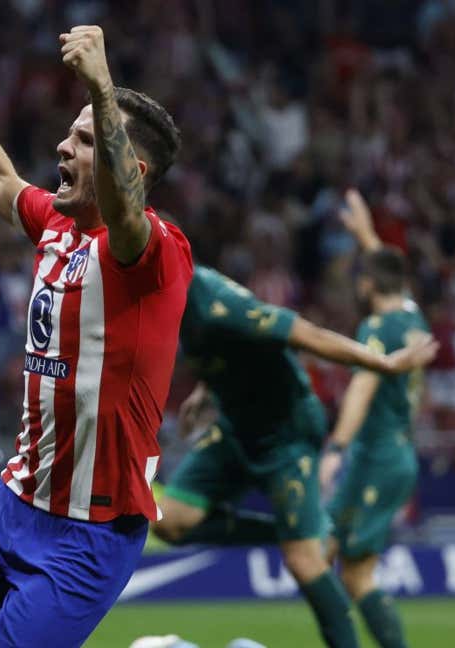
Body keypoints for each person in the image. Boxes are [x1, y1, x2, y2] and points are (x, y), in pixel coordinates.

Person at [0, 20, 193, 647]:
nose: (62, 148)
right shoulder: (58, 228)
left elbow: (123, 211)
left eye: (83, 140)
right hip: (15, 496)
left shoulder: (154, 254)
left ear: (129, 170)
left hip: (90, 533)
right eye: (69, 133)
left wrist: (104, 88)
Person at [151, 254, 437, 647]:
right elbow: (226, 351)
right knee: (167, 520)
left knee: (304, 561)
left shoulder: (220, 306)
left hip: (287, 432)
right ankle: (284, 530)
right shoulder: (173, 295)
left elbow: (309, 335)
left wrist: (384, 364)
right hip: (237, 428)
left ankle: (303, 549)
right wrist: (206, 390)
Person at [317, 190, 432, 648]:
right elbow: (389, 272)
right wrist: (366, 235)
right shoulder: (412, 317)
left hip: (374, 456)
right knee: (323, 557)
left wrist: (335, 449)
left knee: (353, 573)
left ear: (366, 286)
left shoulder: (376, 330)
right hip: (396, 454)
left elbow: (361, 392)